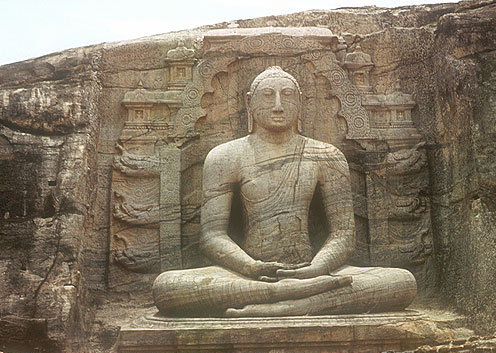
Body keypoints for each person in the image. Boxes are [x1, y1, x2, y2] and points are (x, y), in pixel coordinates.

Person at [153, 66, 416, 317]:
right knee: (166, 287)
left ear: (300, 102)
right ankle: (298, 298)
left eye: (287, 95)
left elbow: (344, 235)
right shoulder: (225, 157)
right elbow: (212, 237)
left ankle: (282, 305)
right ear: (249, 102)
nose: (278, 104)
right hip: (247, 275)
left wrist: (315, 269)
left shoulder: (325, 155)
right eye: (268, 95)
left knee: (401, 282)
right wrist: (252, 267)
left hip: (314, 270)